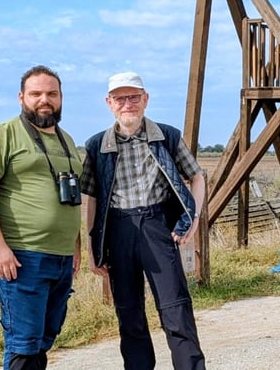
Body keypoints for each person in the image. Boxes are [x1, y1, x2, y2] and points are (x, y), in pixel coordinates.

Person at [81, 71, 206, 370]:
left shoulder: (167, 136)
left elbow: (197, 176)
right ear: (109, 103)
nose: (128, 105)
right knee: (129, 315)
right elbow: (91, 198)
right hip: (118, 230)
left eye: (134, 97)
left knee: (175, 310)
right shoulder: (96, 146)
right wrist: (91, 246)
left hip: (157, 227)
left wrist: (195, 218)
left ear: (145, 100)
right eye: (120, 98)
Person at [0, 65, 82, 370]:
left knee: (44, 340)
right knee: (24, 344)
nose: (44, 99)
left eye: (52, 93)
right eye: (36, 94)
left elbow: (71, 197)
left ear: (60, 98)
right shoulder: (2, 134)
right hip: (23, 257)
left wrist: (75, 247)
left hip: (60, 260)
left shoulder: (67, 140)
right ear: (21, 98)